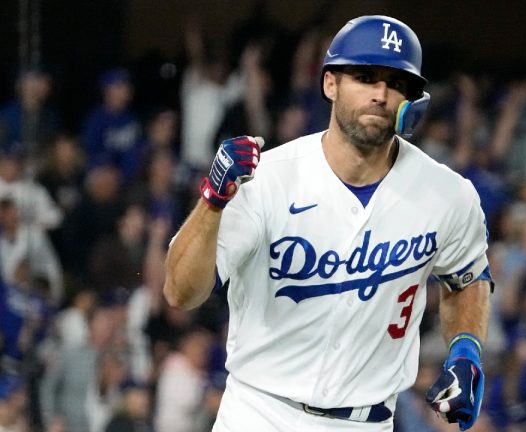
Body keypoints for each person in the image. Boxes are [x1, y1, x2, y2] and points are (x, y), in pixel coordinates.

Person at [164, 15, 492, 432]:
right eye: (365, 76)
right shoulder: (267, 180)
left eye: (396, 83)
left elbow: (467, 277)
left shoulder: (447, 194)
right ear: (330, 84)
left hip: (367, 422)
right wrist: (212, 201)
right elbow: (180, 292)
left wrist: (466, 351)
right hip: (260, 412)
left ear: (413, 99)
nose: (380, 94)